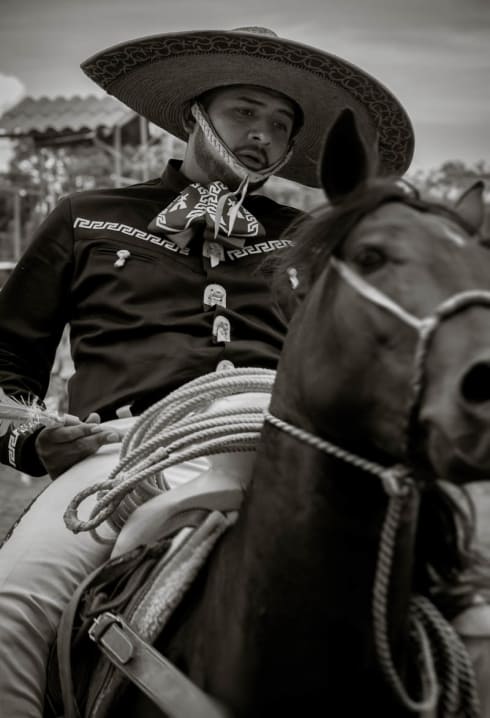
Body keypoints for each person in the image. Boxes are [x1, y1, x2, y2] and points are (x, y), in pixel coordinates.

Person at [0, 26, 413, 716]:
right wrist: (32, 440)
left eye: (281, 123)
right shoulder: (86, 216)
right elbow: (7, 361)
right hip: (121, 459)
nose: (263, 134)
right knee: (10, 607)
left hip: (281, 452)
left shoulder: (312, 241)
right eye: (244, 112)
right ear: (195, 113)